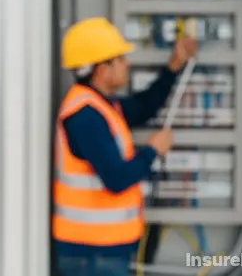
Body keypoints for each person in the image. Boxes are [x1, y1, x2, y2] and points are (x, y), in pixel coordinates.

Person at [52, 17, 197, 276]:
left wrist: (173, 67)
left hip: (101, 251)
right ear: (102, 69)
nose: (126, 64)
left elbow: (144, 107)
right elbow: (117, 178)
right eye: (120, 58)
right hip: (92, 255)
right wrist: (153, 150)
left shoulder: (103, 106)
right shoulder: (85, 116)